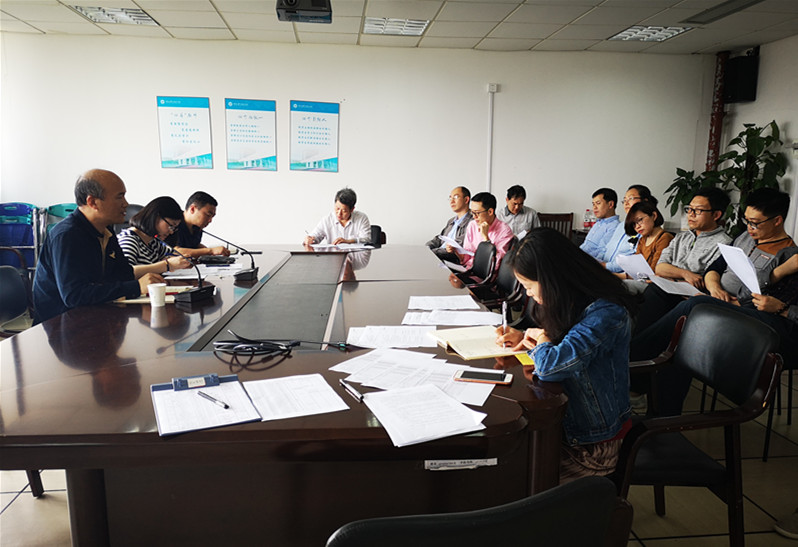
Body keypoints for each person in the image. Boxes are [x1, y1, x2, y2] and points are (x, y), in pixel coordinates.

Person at [630, 188, 797, 416]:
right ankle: (652, 405)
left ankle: (628, 360)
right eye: (746, 221)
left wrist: (723, 301)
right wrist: (715, 288)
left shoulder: (788, 255)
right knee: (660, 296)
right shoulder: (744, 238)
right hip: (716, 297)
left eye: (755, 223)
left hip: (742, 313)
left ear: (777, 221)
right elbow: (714, 268)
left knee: (695, 310)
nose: (749, 227)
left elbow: (764, 303)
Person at [495, 227, 638, 482]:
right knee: (499, 458)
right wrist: (526, 335)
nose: (528, 294)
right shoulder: (573, 301)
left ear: (553, 278)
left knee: (502, 476)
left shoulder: (607, 313)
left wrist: (542, 341)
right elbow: (562, 344)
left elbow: (551, 366)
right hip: (566, 429)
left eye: (529, 286)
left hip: (593, 449)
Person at [32, 169, 162, 323]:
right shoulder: (67, 235)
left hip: (97, 315)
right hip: (61, 324)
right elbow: (74, 296)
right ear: (92, 202)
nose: (126, 204)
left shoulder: (106, 230)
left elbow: (123, 274)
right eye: (119, 197)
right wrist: (136, 287)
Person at [655, 186, 731, 288]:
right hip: (669, 286)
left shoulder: (724, 244)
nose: (691, 214)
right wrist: (685, 274)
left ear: (716, 215)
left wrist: (672, 276)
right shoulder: (681, 237)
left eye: (698, 210)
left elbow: (704, 280)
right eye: (689, 209)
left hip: (691, 293)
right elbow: (660, 268)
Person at [117, 196, 192, 277]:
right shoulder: (128, 239)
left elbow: (172, 254)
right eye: (171, 226)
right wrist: (167, 265)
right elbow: (126, 272)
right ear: (156, 216)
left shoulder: (152, 242)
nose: (171, 232)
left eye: (174, 228)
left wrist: (182, 260)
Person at [447, 191, 514, 271]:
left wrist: (486, 239)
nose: (474, 216)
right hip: (468, 269)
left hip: (485, 273)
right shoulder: (472, 225)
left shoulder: (505, 231)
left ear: (490, 212)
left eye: (477, 213)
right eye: (472, 212)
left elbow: (497, 264)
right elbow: (466, 258)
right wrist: (455, 250)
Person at [600, 185, 657, 273]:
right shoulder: (621, 226)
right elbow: (607, 249)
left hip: (621, 274)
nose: (626, 203)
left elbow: (632, 259)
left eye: (630, 198)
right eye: (624, 200)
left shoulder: (645, 228)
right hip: (605, 269)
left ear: (645, 201)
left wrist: (605, 266)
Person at [170, 191, 230, 258]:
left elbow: (194, 246)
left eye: (212, 217)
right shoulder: (173, 222)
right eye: (208, 215)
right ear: (192, 209)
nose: (210, 220)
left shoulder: (197, 227)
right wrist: (210, 251)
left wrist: (214, 254)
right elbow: (174, 251)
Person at [304, 188, 371, 246]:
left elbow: (366, 239)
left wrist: (348, 241)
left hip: (355, 255)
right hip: (333, 256)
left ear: (352, 209)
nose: (339, 213)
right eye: (337, 208)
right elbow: (315, 236)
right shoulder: (327, 220)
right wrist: (310, 240)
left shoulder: (361, 218)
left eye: (344, 211)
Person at [426, 186, 473, 262]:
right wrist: (427, 247)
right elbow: (439, 238)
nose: (452, 201)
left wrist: (431, 252)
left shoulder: (472, 222)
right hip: (439, 256)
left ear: (466, 200)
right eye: (450, 198)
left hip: (453, 259)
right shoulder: (451, 221)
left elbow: (457, 247)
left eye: (456, 197)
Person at [623, 201, 674, 271]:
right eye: (634, 224)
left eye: (640, 220)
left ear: (654, 216)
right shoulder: (642, 239)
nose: (637, 226)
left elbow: (655, 270)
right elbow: (636, 266)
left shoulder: (665, 238)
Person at [580, 188, 619, 260]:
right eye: (593, 204)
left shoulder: (614, 226)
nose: (594, 208)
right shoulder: (598, 223)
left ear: (610, 204)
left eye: (598, 203)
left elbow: (602, 252)